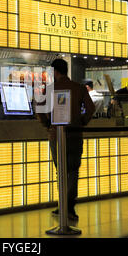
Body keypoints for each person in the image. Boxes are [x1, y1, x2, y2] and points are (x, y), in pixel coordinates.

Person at [37, 59, 95, 220]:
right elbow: (91, 108)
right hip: (75, 134)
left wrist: (47, 124)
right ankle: (70, 206)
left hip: (57, 135)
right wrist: (82, 121)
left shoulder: (50, 89)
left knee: (61, 171)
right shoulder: (79, 88)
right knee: (73, 171)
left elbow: (39, 109)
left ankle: (62, 205)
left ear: (55, 71)